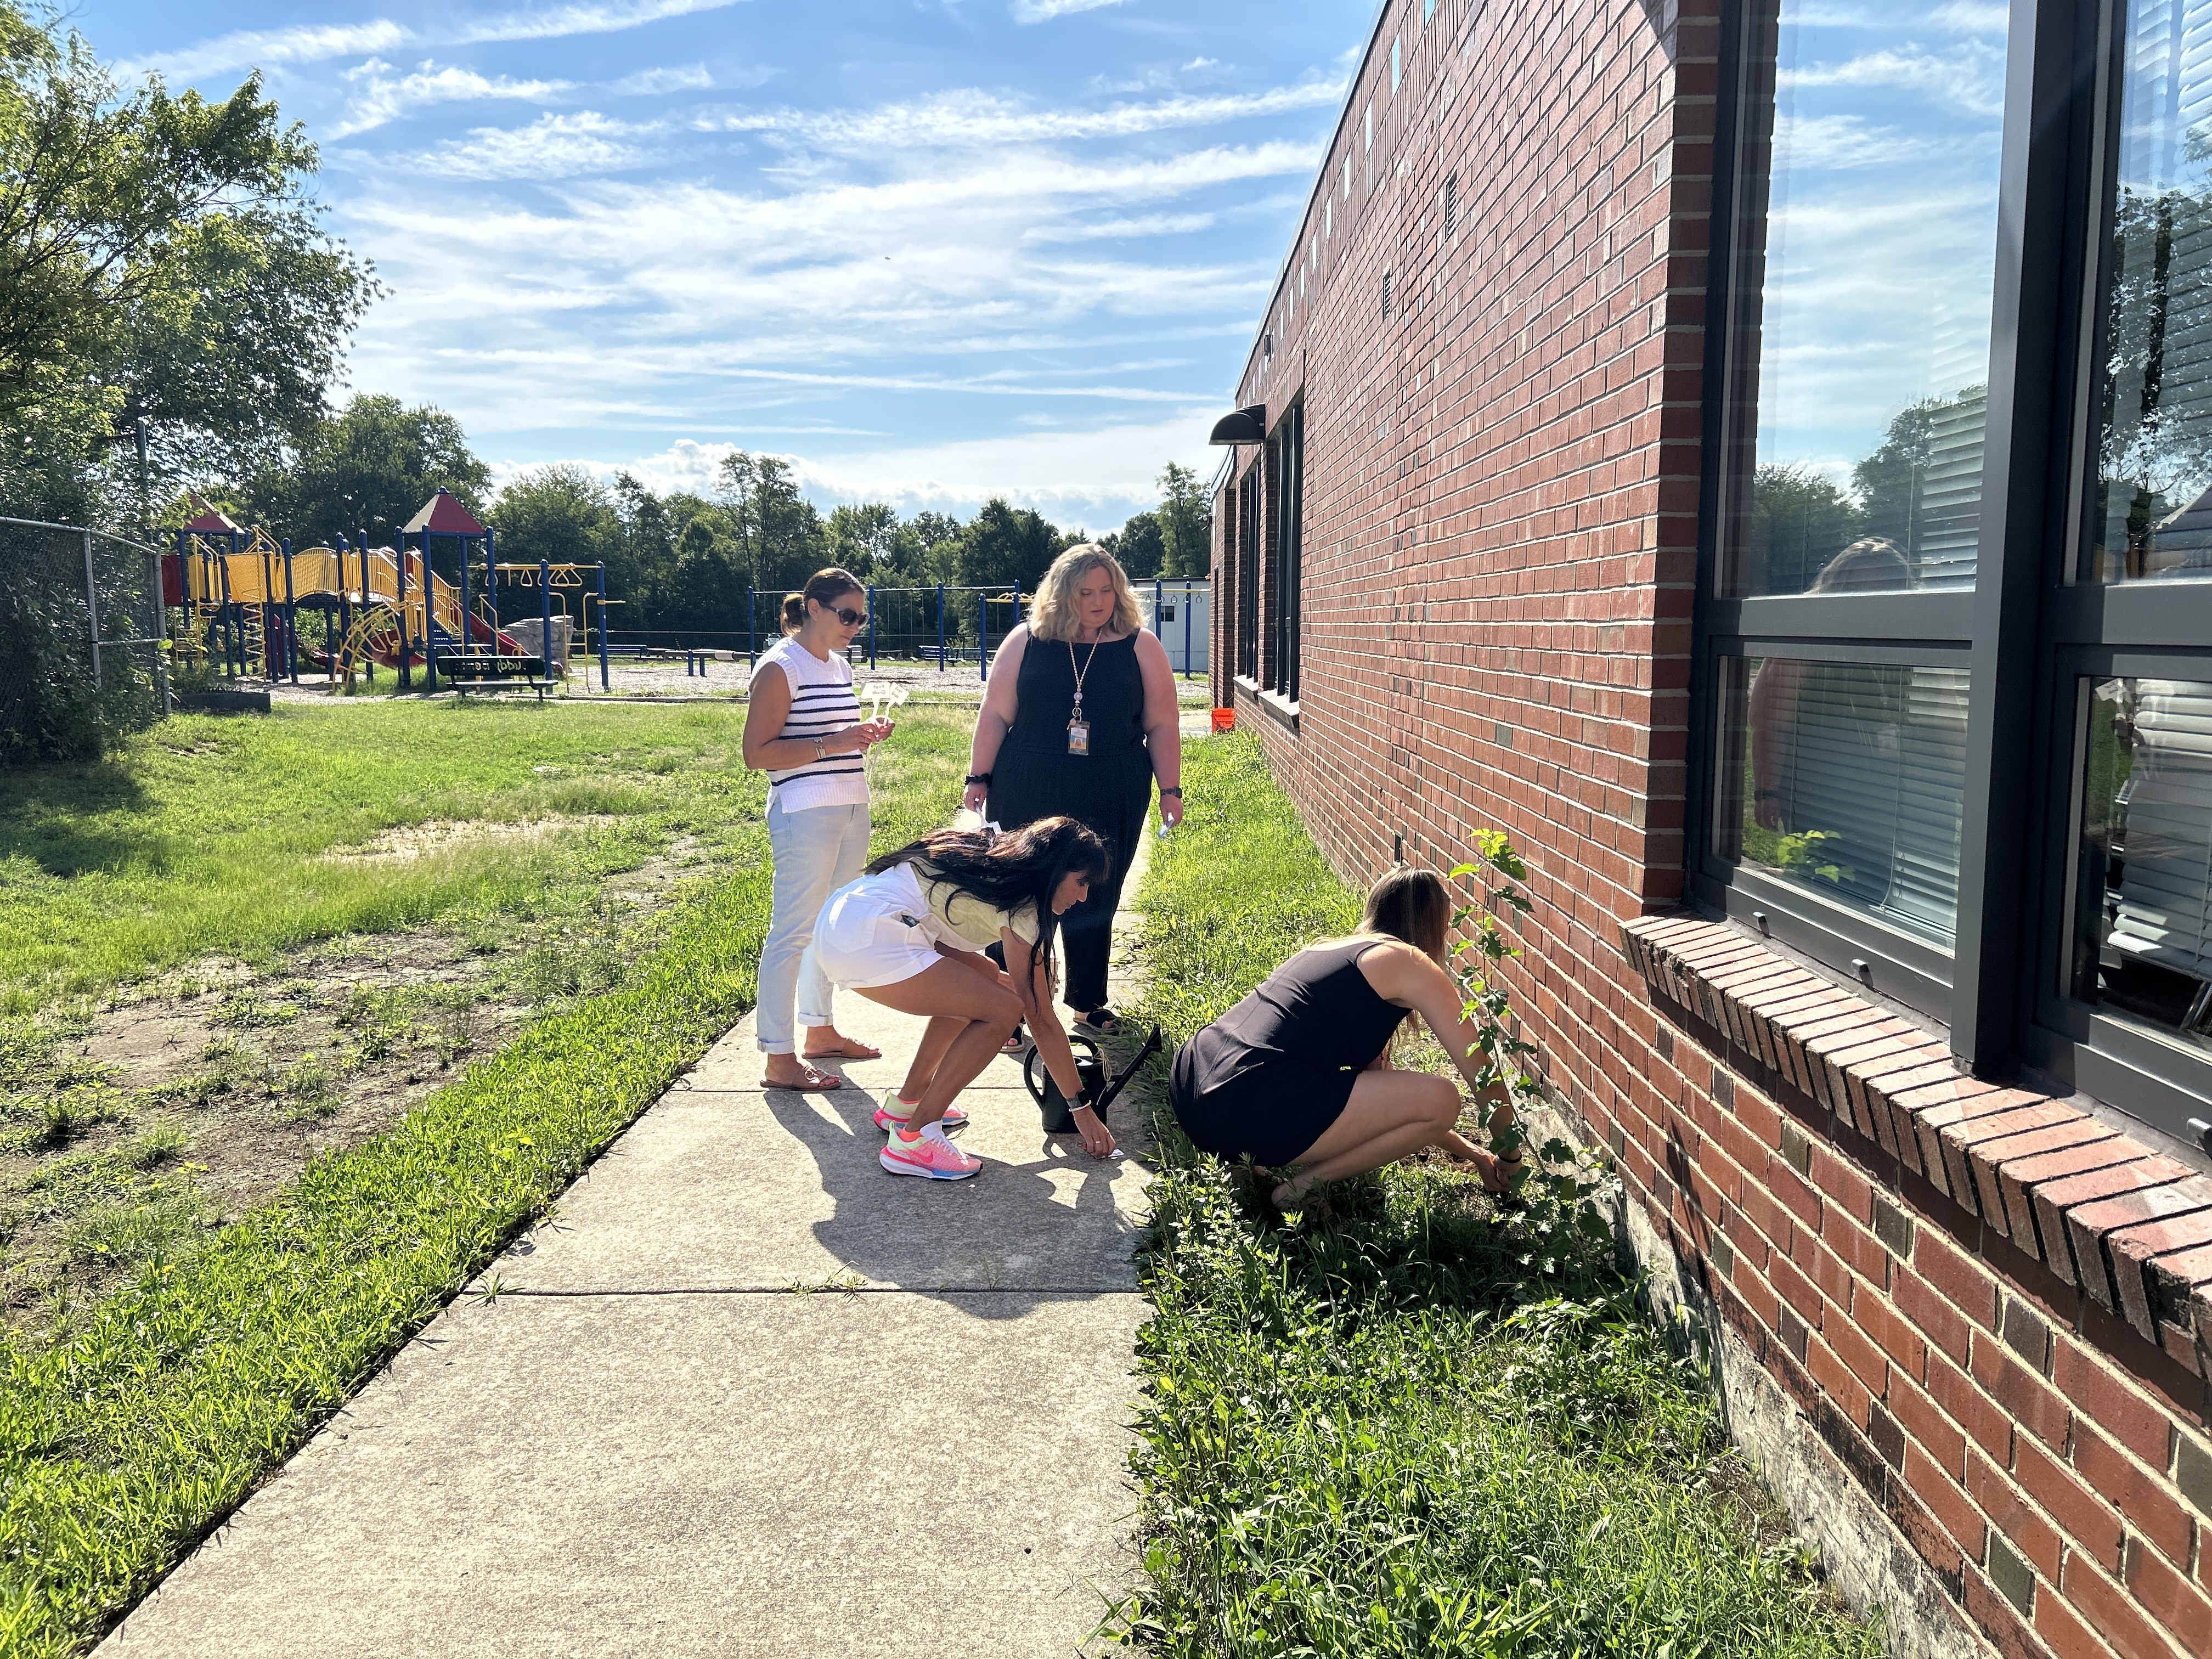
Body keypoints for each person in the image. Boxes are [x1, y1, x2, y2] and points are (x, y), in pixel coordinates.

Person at [1169, 867, 1521, 1211]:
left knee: (1429, 1101)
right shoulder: (1410, 962)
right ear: (1435, 927)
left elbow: (1392, 1108)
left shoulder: (1332, 950)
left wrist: (1476, 1155)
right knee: (1445, 1098)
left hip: (1193, 1083)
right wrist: (1510, 1155)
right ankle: (1302, 1189)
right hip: (1245, 1097)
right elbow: (1481, 1072)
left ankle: (1244, 1163)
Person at [811, 818, 1120, 1180]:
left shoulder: (987, 849)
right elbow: (1040, 1019)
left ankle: (907, 1104)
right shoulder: (1025, 907)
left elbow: (941, 940)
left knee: (987, 987)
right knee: (1004, 1010)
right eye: (1080, 882)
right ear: (1055, 869)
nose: (1083, 896)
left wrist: (1000, 979)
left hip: (843, 920)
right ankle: (915, 1139)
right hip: (871, 937)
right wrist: (1081, 1109)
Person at [962, 545, 1181, 1037]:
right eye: (1086, 592)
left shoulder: (1140, 646)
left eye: (1107, 590)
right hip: (1027, 784)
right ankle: (1008, 1004)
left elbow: (1163, 723)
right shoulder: (1026, 641)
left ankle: (1088, 1002)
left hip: (1112, 785)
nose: (1099, 601)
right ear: (1063, 593)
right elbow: (996, 713)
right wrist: (979, 776)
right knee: (1021, 894)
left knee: (1096, 890)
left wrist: (1171, 789)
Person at [741, 568, 894, 1092]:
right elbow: (756, 754)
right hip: (804, 812)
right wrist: (837, 742)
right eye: (847, 614)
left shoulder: (838, 667)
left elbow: (832, 737)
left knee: (829, 926)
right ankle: (778, 1058)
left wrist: (860, 737)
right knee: (793, 931)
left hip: (849, 805)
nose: (856, 625)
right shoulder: (781, 667)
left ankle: (820, 1031)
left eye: (862, 617)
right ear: (812, 607)